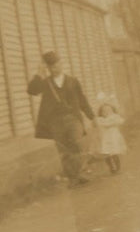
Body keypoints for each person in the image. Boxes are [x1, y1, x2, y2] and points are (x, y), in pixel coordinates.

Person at [27, 50, 96, 187]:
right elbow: (32, 91)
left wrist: (92, 116)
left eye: (57, 65)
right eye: (51, 67)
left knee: (77, 144)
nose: (55, 68)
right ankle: (73, 178)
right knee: (63, 150)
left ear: (61, 63)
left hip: (73, 118)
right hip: (55, 122)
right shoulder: (45, 83)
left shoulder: (72, 81)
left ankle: (81, 172)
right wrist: (39, 73)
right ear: (48, 68)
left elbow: (82, 99)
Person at [94, 94, 127, 174]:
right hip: (105, 138)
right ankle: (111, 167)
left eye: (109, 110)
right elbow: (102, 124)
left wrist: (114, 118)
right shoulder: (101, 120)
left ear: (112, 111)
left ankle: (117, 167)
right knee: (106, 154)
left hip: (114, 137)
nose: (106, 113)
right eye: (104, 111)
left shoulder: (114, 118)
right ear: (101, 113)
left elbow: (120, 121)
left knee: (114, 153)